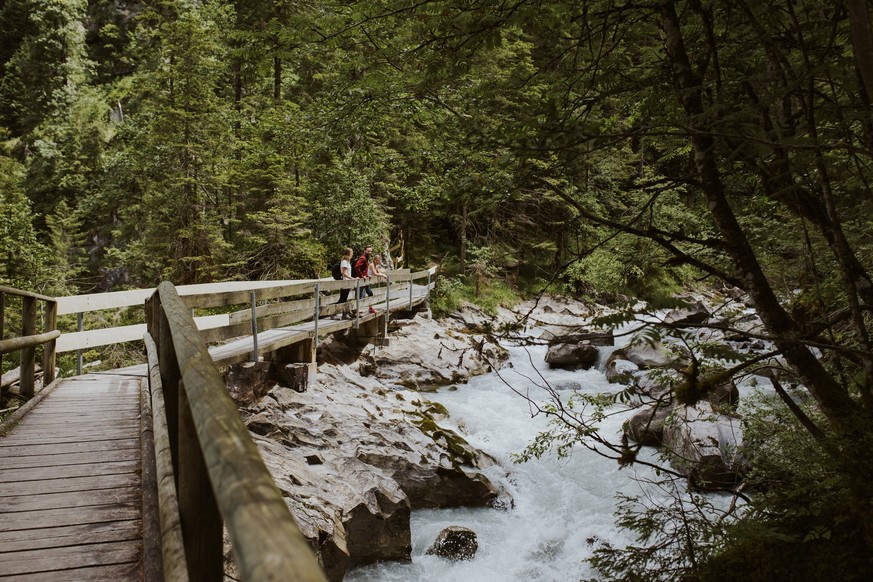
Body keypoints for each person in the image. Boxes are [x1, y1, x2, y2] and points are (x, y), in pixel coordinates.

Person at [335, 247, 356, 319]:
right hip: (345, 283)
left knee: (344, 299)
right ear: (348, 253)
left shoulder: (347, 262)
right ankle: (333, 313)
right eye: (352, 252)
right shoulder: (344, 262)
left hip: (348, 283)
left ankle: (344, 314)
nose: (352, 254)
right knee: (342, 299)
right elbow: (344, 273)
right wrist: (352, 278)